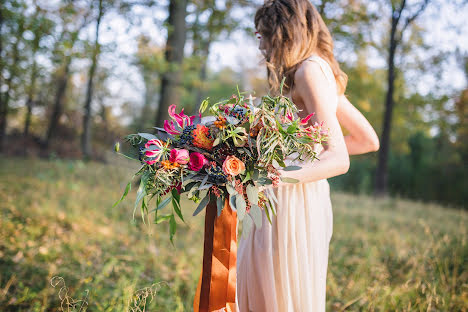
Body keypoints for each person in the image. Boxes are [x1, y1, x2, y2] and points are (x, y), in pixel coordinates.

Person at [236, 1, 380, 311]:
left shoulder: (309, 71)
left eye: (263, 34)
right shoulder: (313, 70)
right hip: (285, 194)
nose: (259, 42)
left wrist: (278, 173)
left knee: (276, 294)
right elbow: (367, 140)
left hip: (289, 199)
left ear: (282, 32)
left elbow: (339, 158)